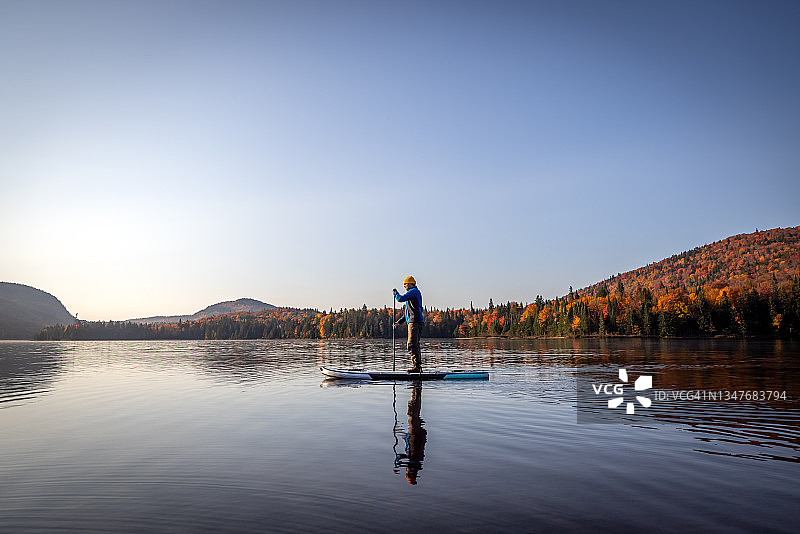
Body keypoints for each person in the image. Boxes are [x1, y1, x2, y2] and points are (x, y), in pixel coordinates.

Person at [393, 276, 425, 373]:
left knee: (411, 344)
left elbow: (400, 298)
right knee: (414, 344)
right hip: (414, 321)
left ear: (410, 284)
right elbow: (407, 314)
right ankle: (417, 367)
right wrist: (399, 322)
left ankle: (417, 367)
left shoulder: (413, 291)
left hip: (415, 322)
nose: (404, 286)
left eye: (405, 284)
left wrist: (395, 293)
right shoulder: (412, 294)